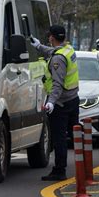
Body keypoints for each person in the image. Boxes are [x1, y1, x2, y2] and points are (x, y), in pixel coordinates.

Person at [30, 25, 80, 181]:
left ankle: (59, 170)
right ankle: (84, 164)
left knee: (59, 139)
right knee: (76, 136)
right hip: (73, 99)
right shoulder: (68, 50)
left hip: (60, 104)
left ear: (52, 37)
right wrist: (38, 46)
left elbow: (57, 84)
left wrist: (51, 102)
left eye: (49, 36)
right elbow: (52, 51)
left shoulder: (58, 59)